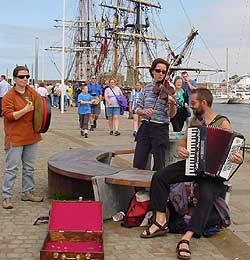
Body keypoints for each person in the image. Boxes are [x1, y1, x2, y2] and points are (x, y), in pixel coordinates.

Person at [140, 88, 243, 260]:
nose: (191, 106)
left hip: (213, 173)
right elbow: (183, 143)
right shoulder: (193, 121)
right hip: (193, 166)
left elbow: (233, 152)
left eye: (194, 103)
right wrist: (181, 150)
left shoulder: (223, 123)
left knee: (207, 195)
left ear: (204, 103)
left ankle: (186, 238)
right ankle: (160, 220)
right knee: (160, 176)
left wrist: (237, 157)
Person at [1, 66, 44, 209]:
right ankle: (7, 197)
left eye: (27, 76)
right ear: (14, 79)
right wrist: (25, 110)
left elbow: (41, 106)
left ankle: (27, 192)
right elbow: (8, 116)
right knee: (12, 169)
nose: (25, 79)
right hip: (15, 137)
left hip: (31, 136)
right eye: (21, 77)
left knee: (29, 168)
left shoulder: (31, 92)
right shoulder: (9, 97)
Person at [133, 58, 177, 171]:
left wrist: (172, 104)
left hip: (160, 128)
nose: (161, 74)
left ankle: (155, 187)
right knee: (138, 161)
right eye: (158, 71)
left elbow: (171, 115)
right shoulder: (146, 88)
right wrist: (144, 111)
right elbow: (137, 108)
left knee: (159, 164)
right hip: (145, 127)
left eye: (164, 72)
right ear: (152, 71)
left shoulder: (169, 90)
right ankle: (139, 187)